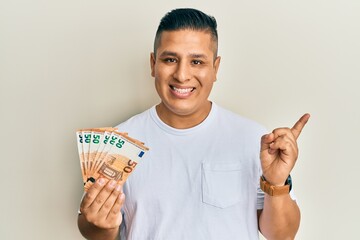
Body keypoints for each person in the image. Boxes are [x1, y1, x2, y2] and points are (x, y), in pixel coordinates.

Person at [78, 8, 310, 240]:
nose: (182, 74)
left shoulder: (254, 139)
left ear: (215, 68)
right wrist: (101, 225)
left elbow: (282, 235)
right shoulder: (119, 143)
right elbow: (93, 229)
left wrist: (277, 183)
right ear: (153, 64)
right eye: (170, 59)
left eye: (197, 61)